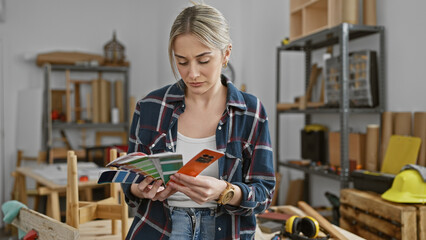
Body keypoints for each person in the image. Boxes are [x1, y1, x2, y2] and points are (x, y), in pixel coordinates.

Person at [122, 3, 275, 240]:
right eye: (182, 61)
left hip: (224, 232)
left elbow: (264, 194)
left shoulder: (251, 112)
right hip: (158, 230)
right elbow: (129, 184)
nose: (192, 73)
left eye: (203, 60)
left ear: (226, 54)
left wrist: (225, 192)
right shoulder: (150, 107)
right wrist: (140, 189)